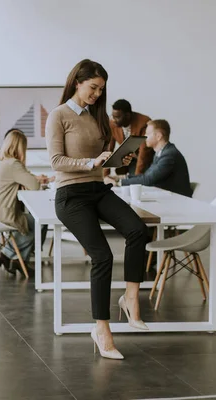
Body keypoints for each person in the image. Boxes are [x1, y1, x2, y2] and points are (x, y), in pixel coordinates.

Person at [46, 59, 150, 359]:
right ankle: (102, 329)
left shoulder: (98, 117)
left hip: (97, 188)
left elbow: (103, 159)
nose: (96, 93)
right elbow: (55, 161)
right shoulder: (58, 115)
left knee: (138, 230)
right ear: (77, 82)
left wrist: (119, 159)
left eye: (101, 89)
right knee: (102, 255)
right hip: (70, 195)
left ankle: (131, 299)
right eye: (93, 87)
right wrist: (90, 162)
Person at [0, 129, 50, 276]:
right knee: (39, 222)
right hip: (3, 212)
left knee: (35, 223)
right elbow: (34, 186)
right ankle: (10, 256)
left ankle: (17, 260)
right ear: (20, 147)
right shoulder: (13, 164)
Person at [104, 119, 193, 197]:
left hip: (178, 201)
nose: (144, 136)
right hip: (167, 198)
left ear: (158, 136)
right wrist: (121, 178)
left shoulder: (169, 155)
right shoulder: (162, 152)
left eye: (147, 133)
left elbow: (148, 180)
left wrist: (118, 182)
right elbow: (147, 176)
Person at [104, 99, 154, 177]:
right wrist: (105, 176)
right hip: (129, 161)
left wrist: (136, 179)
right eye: (112, 116)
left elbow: (143, 153)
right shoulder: (112, 124)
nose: (113, 120)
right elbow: (108, 149)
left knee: (136, 182)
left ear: (127, 115)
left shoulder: (144, 122)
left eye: (117, 117)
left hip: (147, 161)